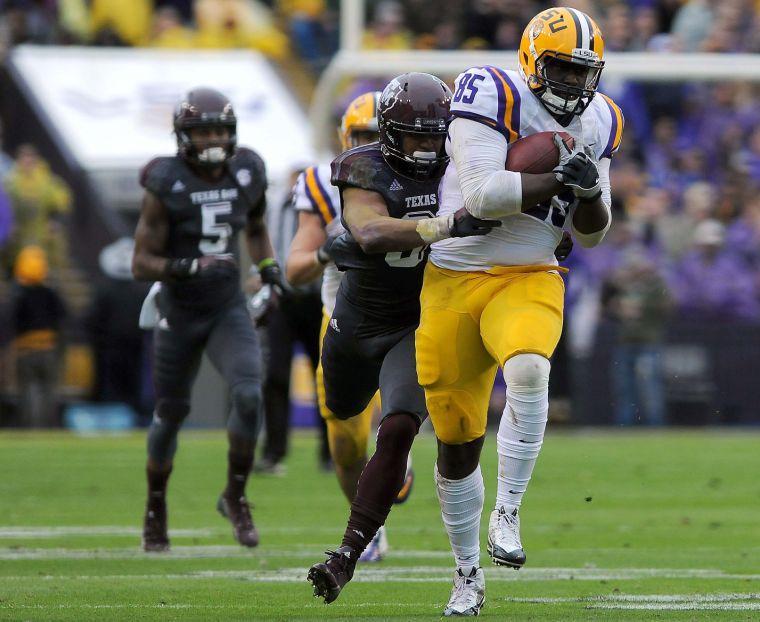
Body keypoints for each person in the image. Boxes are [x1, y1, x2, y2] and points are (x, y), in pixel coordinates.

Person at [414, 7, 624, 615]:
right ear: (533, 61)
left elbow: (593, 234)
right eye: (560, 67)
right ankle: (466, 575)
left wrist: (588, 191)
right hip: (454, 276)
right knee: (456, 444)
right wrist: (562, 176)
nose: (571, 83)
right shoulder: (491, 89)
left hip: (530, 272)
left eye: (582, 71)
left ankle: (508, 510)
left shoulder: (602, 117)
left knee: (530, 370)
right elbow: (484, 195)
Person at [306, 72, 502, 604]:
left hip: (415, 324)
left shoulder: (459, 163)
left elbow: (502, 199)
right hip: (356, 323)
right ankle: (368, 488)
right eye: (415, 135)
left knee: (396, 429)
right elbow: (369, 231)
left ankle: (345, 556)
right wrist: (447, 224)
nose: (427, 147)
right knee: (344, 428)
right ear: (390, 132)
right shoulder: (362, 165)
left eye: (436, 135)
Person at [132, 87, 286, 552]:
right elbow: (141, 262)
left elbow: (256, 229)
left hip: (226, 307)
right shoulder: (166, 182)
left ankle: (235, 496)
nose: (213, 138)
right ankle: (155, 507)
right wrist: (186, 267)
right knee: (171, 414)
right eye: (203, 131)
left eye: (220, 128)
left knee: (247, 394)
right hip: (178, 311)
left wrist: (269, 273)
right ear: (184, 136)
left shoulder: (247, 171)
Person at [287, 91, 414, 563]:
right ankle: (368, 526)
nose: (372, 144)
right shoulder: (325, 183)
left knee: (403, 413)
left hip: (412, 313)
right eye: (360, 136)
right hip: (346, 318)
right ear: (345, 138)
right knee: (344, 443)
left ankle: (399, 446)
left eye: (377, 132)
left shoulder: (430, 167)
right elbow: (295, 267)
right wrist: (327, 250)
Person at [10, 246, 67, 428]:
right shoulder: (50, 293)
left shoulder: (19, 295)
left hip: (26, 351)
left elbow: (11, 322)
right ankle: (49, 427)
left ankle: (29, 427)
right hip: (48, 349)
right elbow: (63, 317)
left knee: (28, 393)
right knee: (49, 392)